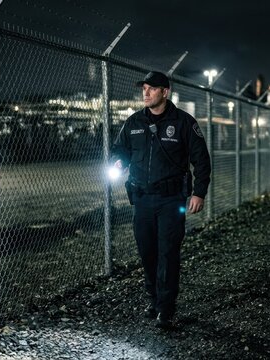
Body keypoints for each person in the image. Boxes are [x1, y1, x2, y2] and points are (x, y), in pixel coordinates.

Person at [111, 71, 211, 329]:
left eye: (151, 88)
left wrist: (199, 192)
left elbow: (201, 159)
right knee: (147, 254)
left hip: (170, 201)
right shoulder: (133, 122)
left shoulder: (184, 123)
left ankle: (166, 309)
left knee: (167, 254)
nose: (145, 93)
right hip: (142, 200)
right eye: (144, 88)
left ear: (165, 92)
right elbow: (119, 149)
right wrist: (118, 161)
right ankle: (154, 301)